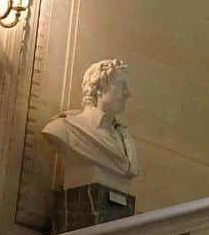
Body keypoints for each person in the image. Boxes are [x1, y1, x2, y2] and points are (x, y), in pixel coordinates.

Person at [41, 59, 139, 191]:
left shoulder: (125, 142)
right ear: (100, 88)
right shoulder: (63, 129)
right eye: (122, 86)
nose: (128, 94)